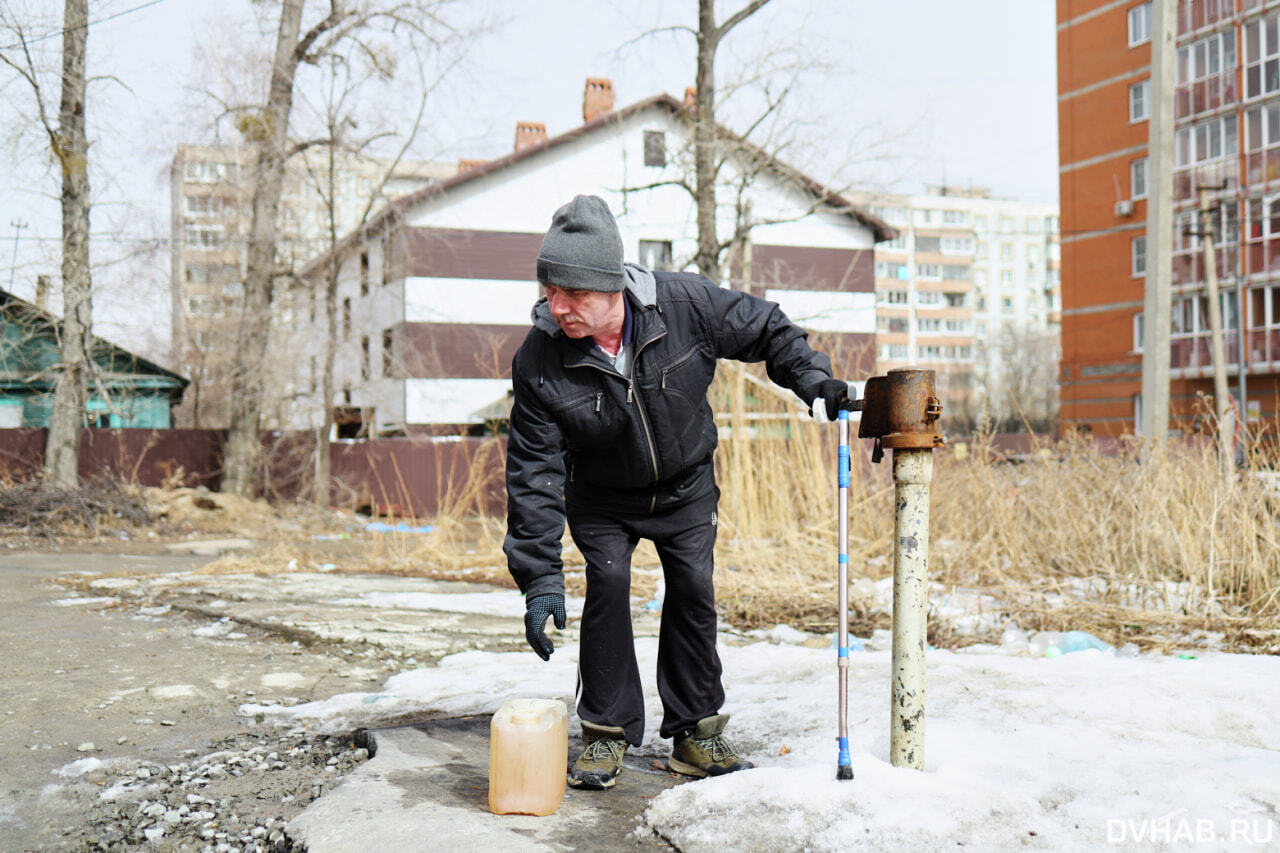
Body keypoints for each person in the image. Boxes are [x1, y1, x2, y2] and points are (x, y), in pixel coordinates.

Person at [504, 194, 853, 790]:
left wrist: (811, 379)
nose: (556, 307)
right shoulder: (539, 360)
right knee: (608, 585)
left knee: (693, 589)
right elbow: (533, 473)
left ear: (611, 285)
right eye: (548, 290)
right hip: (603, 497)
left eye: (573, 294)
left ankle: (696, 734)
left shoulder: (686, 304)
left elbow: (768, 328)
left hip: (686, 487)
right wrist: (538, 579)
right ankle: (605, 736)